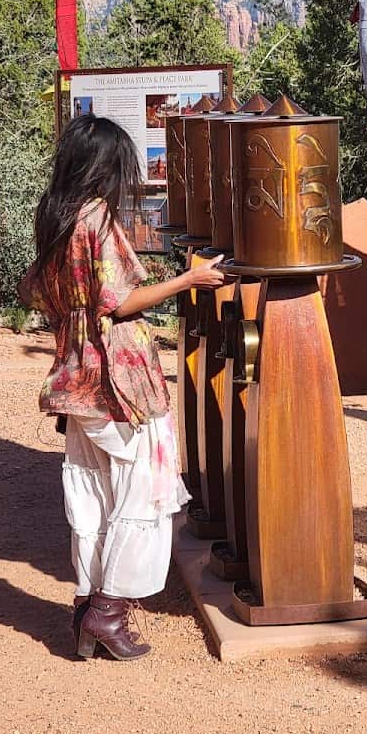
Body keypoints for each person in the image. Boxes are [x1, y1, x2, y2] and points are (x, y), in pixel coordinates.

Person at [20, 114, 224, 662]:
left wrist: (75, 311)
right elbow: (119, 300)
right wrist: (190, 279)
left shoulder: (54, 216)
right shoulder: (97, 219)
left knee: (89, 490)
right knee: (141, 488)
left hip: (73, 375)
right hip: (119, 375)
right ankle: (108, 612)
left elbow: (33, 290)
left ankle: (87, 607)